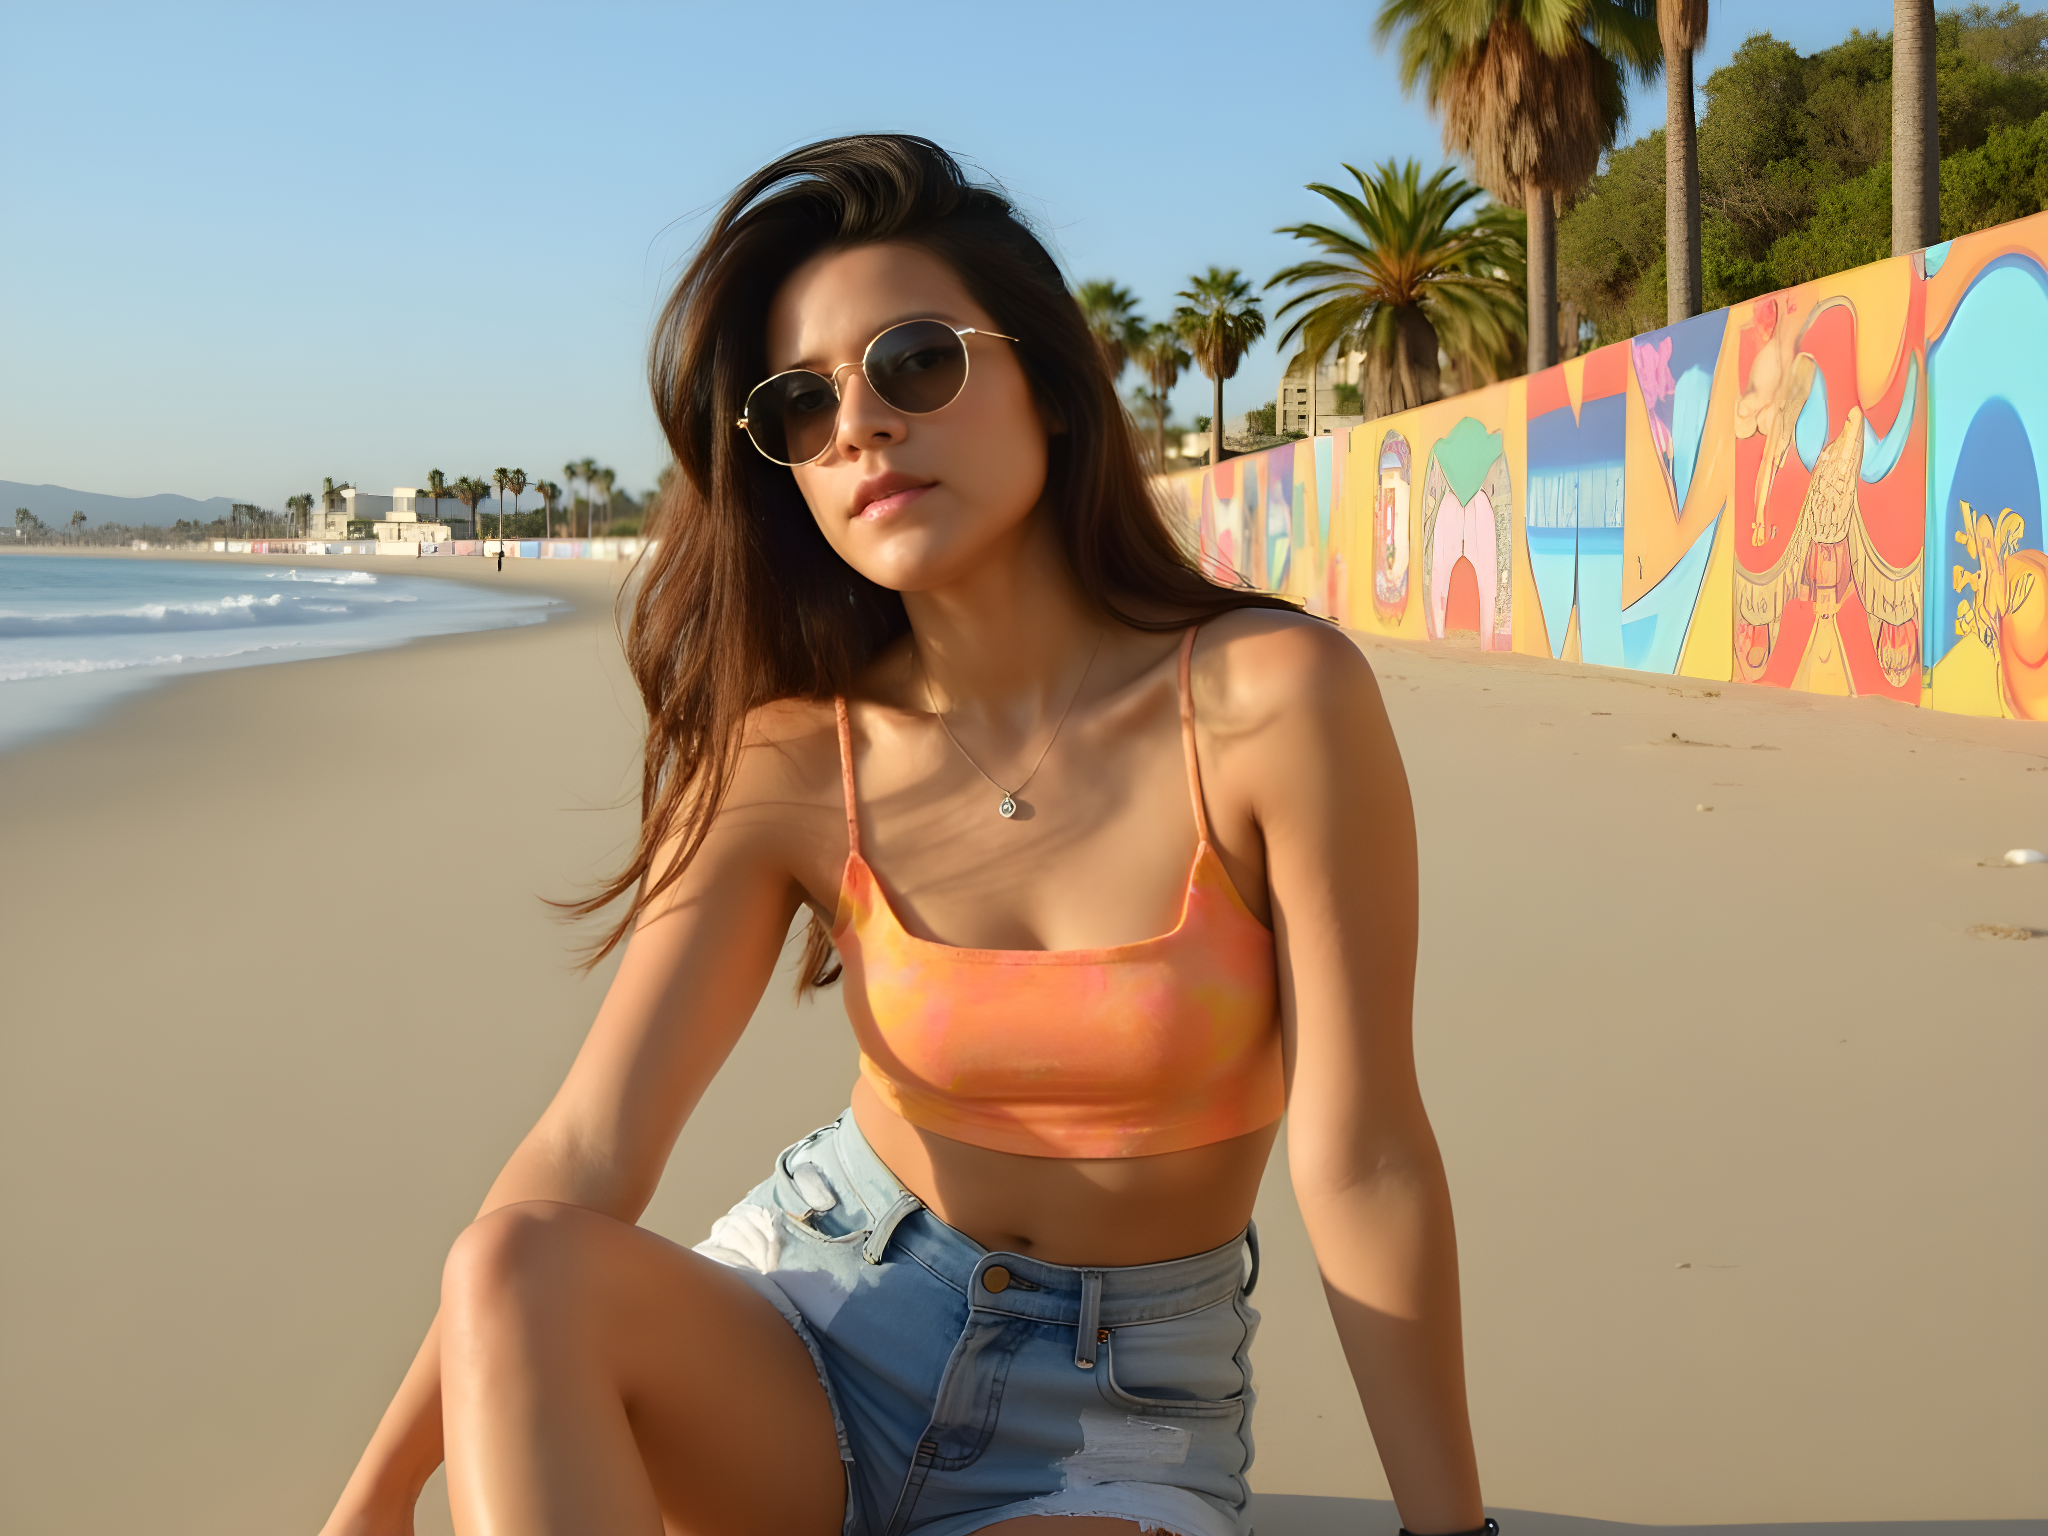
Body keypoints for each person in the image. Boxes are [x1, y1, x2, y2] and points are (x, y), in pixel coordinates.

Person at [319, 135, 1487, 1536]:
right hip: (805, 1327)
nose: (859, 425)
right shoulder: (794, 757)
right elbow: (583, 1153)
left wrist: (1451, 1529)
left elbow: (1362, 1155)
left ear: (1049, 385)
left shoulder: (1266, 701)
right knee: (521, 1265)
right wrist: (379, 1496)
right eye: (799, 406)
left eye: (917, 361)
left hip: (1110, 1417)